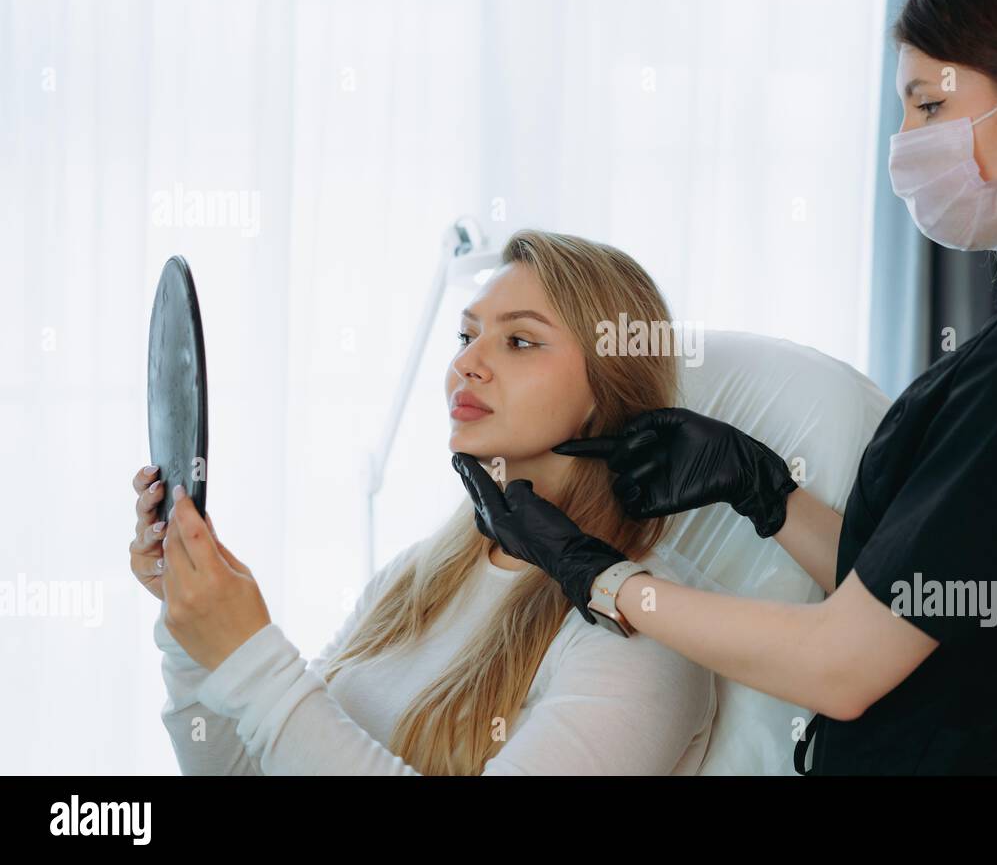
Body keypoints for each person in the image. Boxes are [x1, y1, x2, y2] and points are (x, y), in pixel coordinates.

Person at [452, 0, 997, 775]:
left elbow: (841, 665)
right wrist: (761, 488)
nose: (906, 142)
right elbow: (916, 598)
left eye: (928, 106)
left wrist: (596, 575)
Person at [129, 229, 716, 775]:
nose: (465, 363)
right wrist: (195, 634)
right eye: (466, 336)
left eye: (519, 341)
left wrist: (253, 659)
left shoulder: (647, 629)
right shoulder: (419, 573)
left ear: (608, 392)